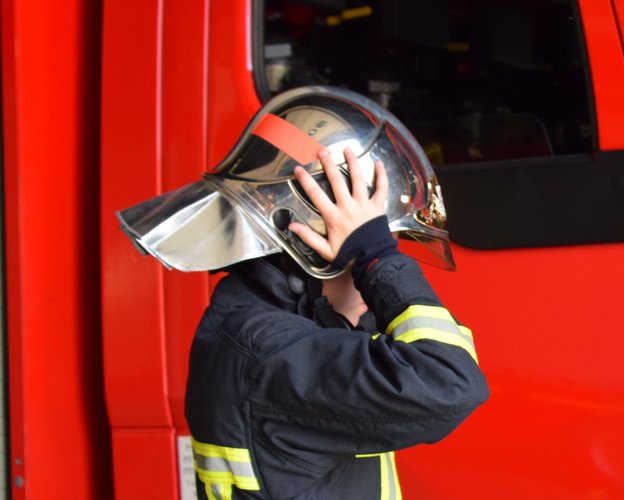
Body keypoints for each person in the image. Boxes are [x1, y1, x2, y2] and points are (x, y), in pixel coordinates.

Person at [116, 87, 488, 499]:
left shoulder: (255, 330)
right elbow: (449, 383)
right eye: (357, 263)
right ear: (315, 255)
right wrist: (377, 257)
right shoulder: (270, 354)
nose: (368, 290)